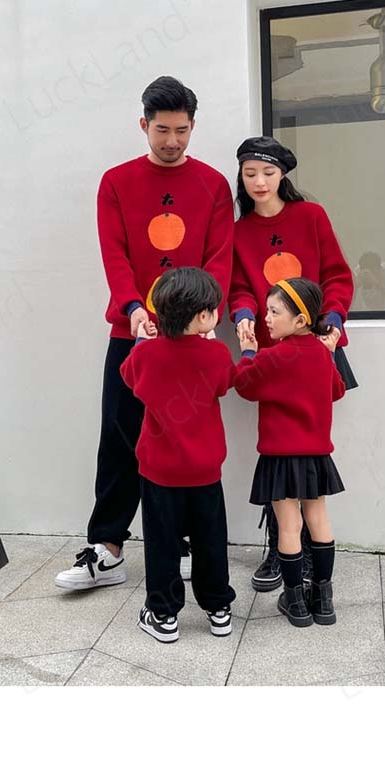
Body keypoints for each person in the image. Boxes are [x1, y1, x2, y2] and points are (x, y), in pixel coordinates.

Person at [54, 77, 234, 591]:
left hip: (193, 339)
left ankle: (179, 542)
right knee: (119, 436)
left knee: (184, 439)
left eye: (181, 130)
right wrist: (134, 308)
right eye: (162, 130)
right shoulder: (116, 182)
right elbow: (114, 255)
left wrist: (202, 318)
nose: (172, 140)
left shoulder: (214, 185)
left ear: (193, 126)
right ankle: (107, 548)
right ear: (143, 125)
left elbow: (219, 258)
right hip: (132, 333)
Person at [228, 135, 354, 594]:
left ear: (283, 175)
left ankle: (302, 556)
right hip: (269, 351)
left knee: (304, 448)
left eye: (268, 172)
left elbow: (337, 275)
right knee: (277, 451)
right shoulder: (239, 231)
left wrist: (332, 322)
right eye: (250, 173)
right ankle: (282, 550)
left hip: (317, 343)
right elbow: (239, 287)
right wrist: (244, 316)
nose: (259, 182)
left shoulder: (311, 216)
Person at [121, 267, 237, 643]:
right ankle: (218, 609)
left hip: (159, 471)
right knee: (210, 541)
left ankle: (163, 614)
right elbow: (226, 382)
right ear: (202, 316)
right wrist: (210, 344)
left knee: (162, 544)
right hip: (205, 471)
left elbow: (129, 376)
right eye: (212, 309)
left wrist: (141, 341)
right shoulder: (216, 354)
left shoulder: (147, 355)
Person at [235, 277, 346, 627]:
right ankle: (324, 600)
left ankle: (296, 602)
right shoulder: (321, 354)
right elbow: (337, 391)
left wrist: (248, 352)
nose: (266, 318)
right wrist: (328, 355)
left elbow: (244, 385)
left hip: (280, 456)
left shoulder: (272, 357)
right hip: (316, 456)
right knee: (318, 519)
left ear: (300, 319)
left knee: (288, 525)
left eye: (274, 312)